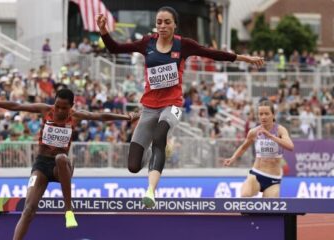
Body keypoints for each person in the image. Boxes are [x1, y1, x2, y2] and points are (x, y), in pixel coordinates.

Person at [96, 6, 264, 208]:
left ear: (175, 24)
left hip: (173, 105)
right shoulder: (147, 43)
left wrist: (244, 58)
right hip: (149, 107)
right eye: (159, 22)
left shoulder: (183, 45)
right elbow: (115, 49)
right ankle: (151, 154)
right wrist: (104, 31)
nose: (163, 26)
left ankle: (150, 191)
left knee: (160, 136)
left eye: (167, 22)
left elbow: (213, 53)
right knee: (133, 166)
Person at [0, 88, 139, 240]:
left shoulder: (75, 115)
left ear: (71, 106)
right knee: (28, 210)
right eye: (57, 106)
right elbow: (16, 105)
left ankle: (68, 211)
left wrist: (127, 117)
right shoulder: (46, 110)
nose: (60, 111)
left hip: (62, 167)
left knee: (60, 158)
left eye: (64, 108)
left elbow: (101, 117)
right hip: (42, 164)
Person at [223, 100, 294, 197]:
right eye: (260, 114)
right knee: (245, 196)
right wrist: (233, 158)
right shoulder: (254, 132)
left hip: (273, 178)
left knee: (269, 210)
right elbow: (243, 147)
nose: (263, 117)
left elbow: (290, 146)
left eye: (266, 114)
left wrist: (271, 136)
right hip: (256, 174)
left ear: (273, 115)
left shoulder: (280, 130)